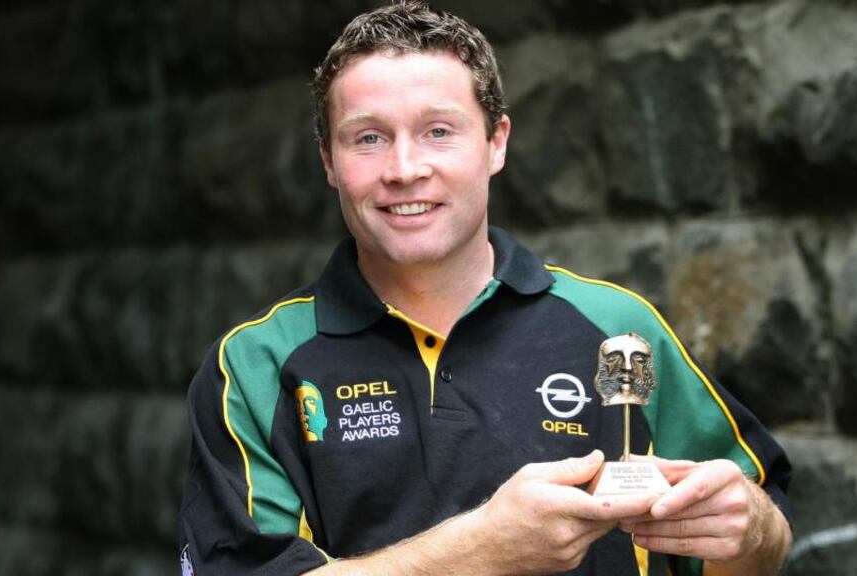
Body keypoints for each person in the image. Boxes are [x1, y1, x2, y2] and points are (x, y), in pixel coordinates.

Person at [178, 2, 793, 575]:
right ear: (328, 161)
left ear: (496, 142)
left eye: (438, 131)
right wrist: (482, 549)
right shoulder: (256, 365)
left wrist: (751, 531)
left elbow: (762, 528)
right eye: (368, 137)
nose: (404, 168)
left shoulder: (616, 326)